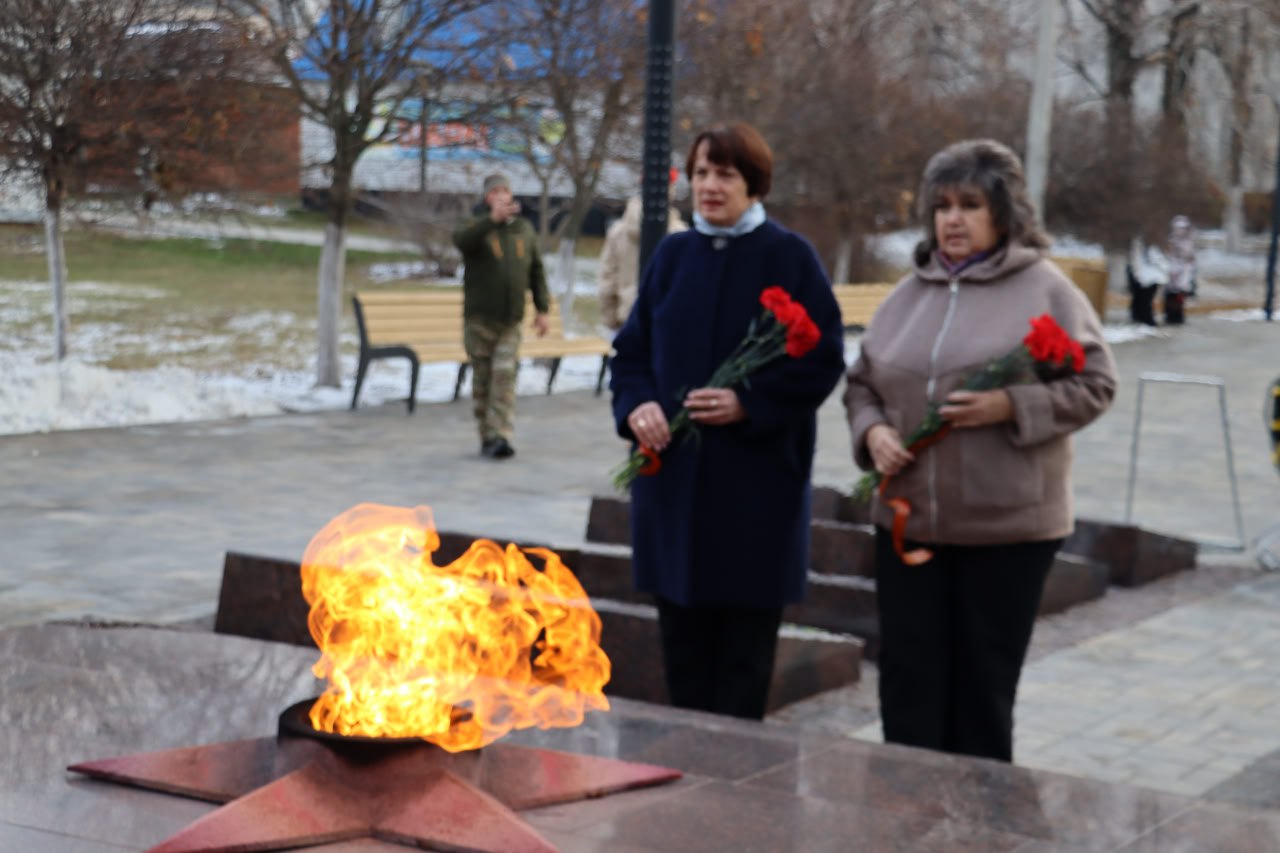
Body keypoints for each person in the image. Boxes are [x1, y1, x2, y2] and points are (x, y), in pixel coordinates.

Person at [843, 139, 1118, 762]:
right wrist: (874, 433)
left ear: (1004, 213)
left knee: (980, 700)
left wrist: (1011, 406)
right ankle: (907, 820)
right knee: (908, 692)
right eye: (941, 206)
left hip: (1007, 533)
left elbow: (1097, 385)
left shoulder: (1046, 290)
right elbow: (861, 385)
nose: (953, 219)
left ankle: (981, 830)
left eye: (969, 204)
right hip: (909, 527)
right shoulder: (908, 295)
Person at [609, 122, 846, 720]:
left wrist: (749, 402)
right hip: (675, 489)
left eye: (725, 174)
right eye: (700, 173)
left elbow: (821, 360)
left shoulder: (789, 257)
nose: (710, 186)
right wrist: (637, 406)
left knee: (741, 669)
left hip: (753, 496)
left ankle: (732, 789)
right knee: (681, 656)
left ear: (754, 183)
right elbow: (633, 351)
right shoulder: (674, 254)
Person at [452, 173, 550, 460]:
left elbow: (536, 271)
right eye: (494, 191)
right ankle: (486, 435)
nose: (501, 195)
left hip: (510, 321)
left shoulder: (522, 229)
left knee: (504, 375)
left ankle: (501, 434)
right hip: (480, 320)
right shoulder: (475, 224)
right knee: (483, 379)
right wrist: (490, 220)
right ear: (487, 197)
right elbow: (462, 242)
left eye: (505, 190)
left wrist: (542, 310)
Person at [598, 169, 687, 331]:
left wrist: (610, 319)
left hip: (626, 316)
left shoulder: (618, 232)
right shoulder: (680, 234)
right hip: (668, 321)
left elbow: (608, 279)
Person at [1126, 236, 1168, 327]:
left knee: (1144, 300)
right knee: (1143, 300)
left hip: (1148, 277)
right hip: (1146, 277)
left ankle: (1143, 319)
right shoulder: (1141, 243)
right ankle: (1144, 319)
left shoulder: (1149, 245)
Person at [1164, 215, 1197, 325]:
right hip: (1171, 272)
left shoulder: (1188, 240)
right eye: (1178, 228)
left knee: (1179, 297)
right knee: (1170, 297)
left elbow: (1190, 257)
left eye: (1183, 228)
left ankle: (1178, 316)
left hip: (1183, 273)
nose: (1180, 231)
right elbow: (1167, 255)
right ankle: (1170, 316)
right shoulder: (1170, 239)